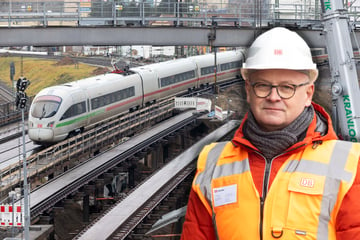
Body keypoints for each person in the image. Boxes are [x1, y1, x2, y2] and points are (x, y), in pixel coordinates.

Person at [181, 27, 360, 240]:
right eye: (263, 86)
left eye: (287, 87)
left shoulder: (349, 164)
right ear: (248, 91)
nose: (274, 97)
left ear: (308, 94)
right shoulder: (213, 163)